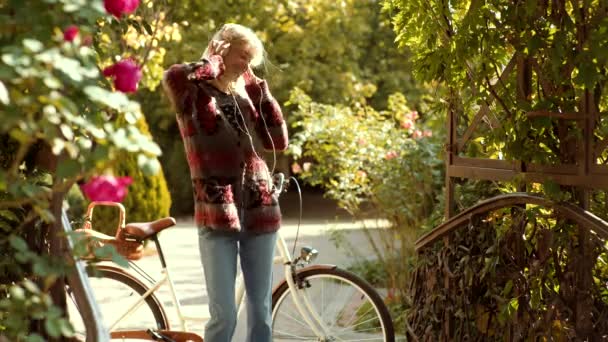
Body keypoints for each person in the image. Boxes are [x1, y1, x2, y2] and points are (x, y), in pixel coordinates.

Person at [161, 23, 288, 342]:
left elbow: (278, 141)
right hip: (217, 213)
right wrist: (213, 63)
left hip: (261, 209)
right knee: (224, 316)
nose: (247, 65)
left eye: (251, 59)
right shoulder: (191, 92)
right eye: (243, 56)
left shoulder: (245, 96)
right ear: (221, 48)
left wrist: (261, 92)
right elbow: (173, 75)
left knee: (261, 311)